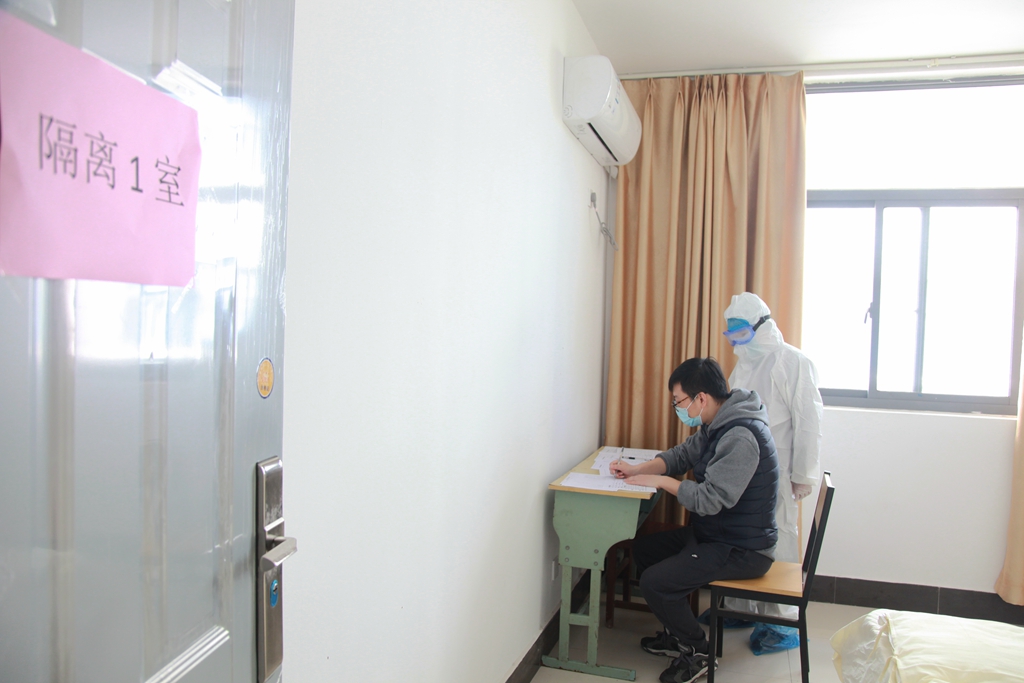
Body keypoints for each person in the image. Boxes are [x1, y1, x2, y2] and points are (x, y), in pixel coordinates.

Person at [611, 357, 779, 683]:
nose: (677, 408)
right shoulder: (718, 422)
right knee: (644, 550)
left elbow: (709, 500)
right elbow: (681, 456)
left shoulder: (740, 437)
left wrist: (662, 482)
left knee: (655, 583)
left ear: (701, 398)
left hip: (742, 548)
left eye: (679, 402)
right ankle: (677, 634)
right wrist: (637, 470)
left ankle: (699, 652)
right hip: (716, 534)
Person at [715, 292, 824, 654]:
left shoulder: (793, 362)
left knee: (780, 540)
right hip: (743, 471)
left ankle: (780, 621)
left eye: (741, 333)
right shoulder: (744, 365)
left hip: (779, 472)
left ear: (761, 326)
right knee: (741, 537)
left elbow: (809, 422)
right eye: (731, 334)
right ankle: (741, 607)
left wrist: (803, 474)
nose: (735, 342)